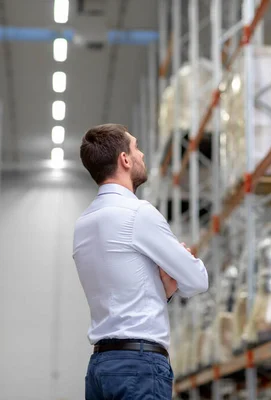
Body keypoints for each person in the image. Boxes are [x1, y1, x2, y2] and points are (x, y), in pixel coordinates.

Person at [73, 124, 209, 400]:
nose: (143, 155)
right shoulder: (138, 214)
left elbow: (122, 287)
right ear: (124, 159)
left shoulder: (83, 224)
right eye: (136, 148)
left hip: (101, 367)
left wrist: (163, 292)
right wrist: (177, 270)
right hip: (139, 366)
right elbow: (197, 280)